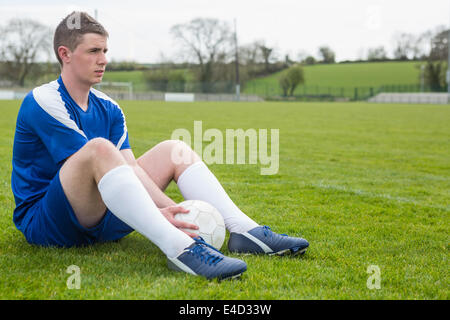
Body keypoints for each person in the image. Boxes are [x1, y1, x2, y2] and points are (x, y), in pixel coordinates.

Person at [11, 12, 309, 280]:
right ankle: (181, 249)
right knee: (100, 149)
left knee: (173, 149)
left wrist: (172, 210)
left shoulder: (111, 108)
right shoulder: (44, 100)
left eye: (105, 51)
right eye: (93, 51)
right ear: (65, 54)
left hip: (104, 219)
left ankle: (246, 231)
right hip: (51, 224)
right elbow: (91, 164)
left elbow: (130, 167)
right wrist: (162, 216)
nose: (103, 59)